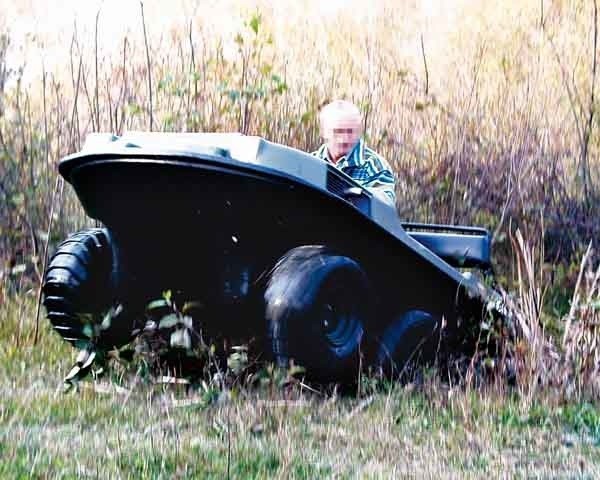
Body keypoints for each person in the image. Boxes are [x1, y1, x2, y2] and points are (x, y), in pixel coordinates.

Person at [312, 100, 396, 206]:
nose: (344, 139)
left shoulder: (374, 166)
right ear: (323, 132)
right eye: (338, 131)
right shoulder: (310, 164)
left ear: (359, 131)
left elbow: (385, 207)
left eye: (350, 131)